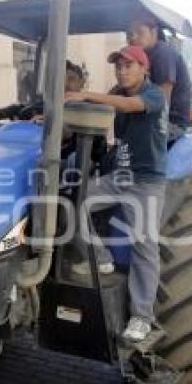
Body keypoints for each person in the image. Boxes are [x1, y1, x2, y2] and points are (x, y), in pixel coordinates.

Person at [64, 45, 167, 343]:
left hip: (146, 181)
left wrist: (87, 94)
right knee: (75, 200)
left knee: (144, 245)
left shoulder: (153, 94)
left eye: (128, 66)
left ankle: (142, 317)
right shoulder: (116, 93)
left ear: (143, 68)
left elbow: (130, 106)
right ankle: (101, 256)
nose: (122, 71)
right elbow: (94, 114)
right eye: (118, 66)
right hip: (119, 176)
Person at [126, 15, 192, 143]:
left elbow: (162, 102)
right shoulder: (140, 58)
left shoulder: (162, 53)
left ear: (154, 31)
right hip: (147, 119)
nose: (133, 37)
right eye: (129, 34)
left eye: (139, 32)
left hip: (171, 123)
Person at [0, 60, 85, 125]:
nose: (65, 84)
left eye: (71, 79)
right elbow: (23, 109)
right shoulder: (48, 104)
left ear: (81, 83)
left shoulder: (87, 110)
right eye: (60, 80)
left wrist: (49, 120)